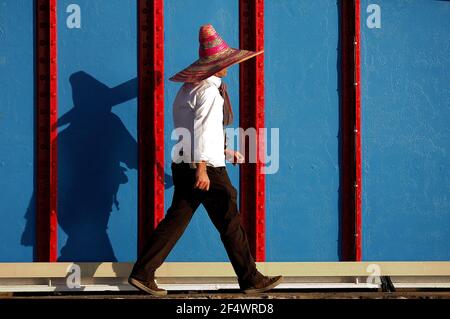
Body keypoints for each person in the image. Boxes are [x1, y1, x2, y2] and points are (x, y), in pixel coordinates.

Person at [128, 24, 282, 296]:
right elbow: (201, 130)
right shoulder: (210, 92)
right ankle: (251, 279)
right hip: (205, 169)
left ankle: (143, 272)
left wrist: (224, 151)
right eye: (224, 63)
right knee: (230, 221)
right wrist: (203, 168)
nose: (227, 67)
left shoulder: (188, 90)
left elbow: (195, 132)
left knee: (176, 221)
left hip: (186, 164)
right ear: (216, 65)